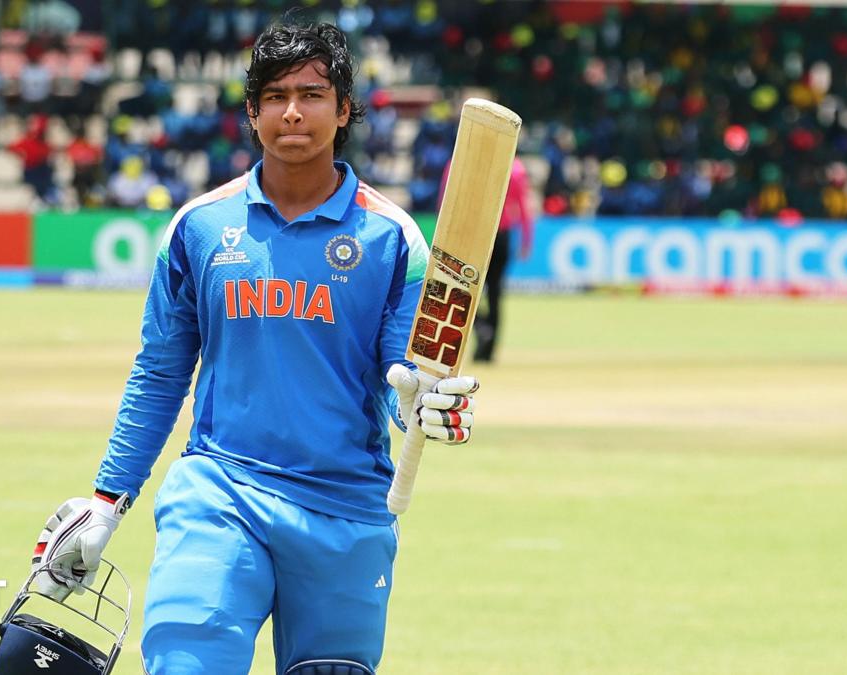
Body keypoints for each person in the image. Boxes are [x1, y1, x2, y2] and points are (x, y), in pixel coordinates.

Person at [28, 20, 481, 675]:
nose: (292, 111)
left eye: (311, 93)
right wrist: (107, 500)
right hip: (219, 493)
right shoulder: (199, 227)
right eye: (274, 96)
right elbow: (159, 372)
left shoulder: (393, 240)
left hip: (346, 510)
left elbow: (399, 378)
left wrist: (422, 407)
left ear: (345, 108)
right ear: (252, 111)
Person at [438, 156, 533, 362]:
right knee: (496, 292)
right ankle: (488, 351)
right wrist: (526, 240)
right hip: (503, 233)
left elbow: (446, 199)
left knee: (462, 291)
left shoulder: (463, 158)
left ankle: (481, 327)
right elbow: (524, 207)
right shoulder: (515, 167)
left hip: (473, 234)